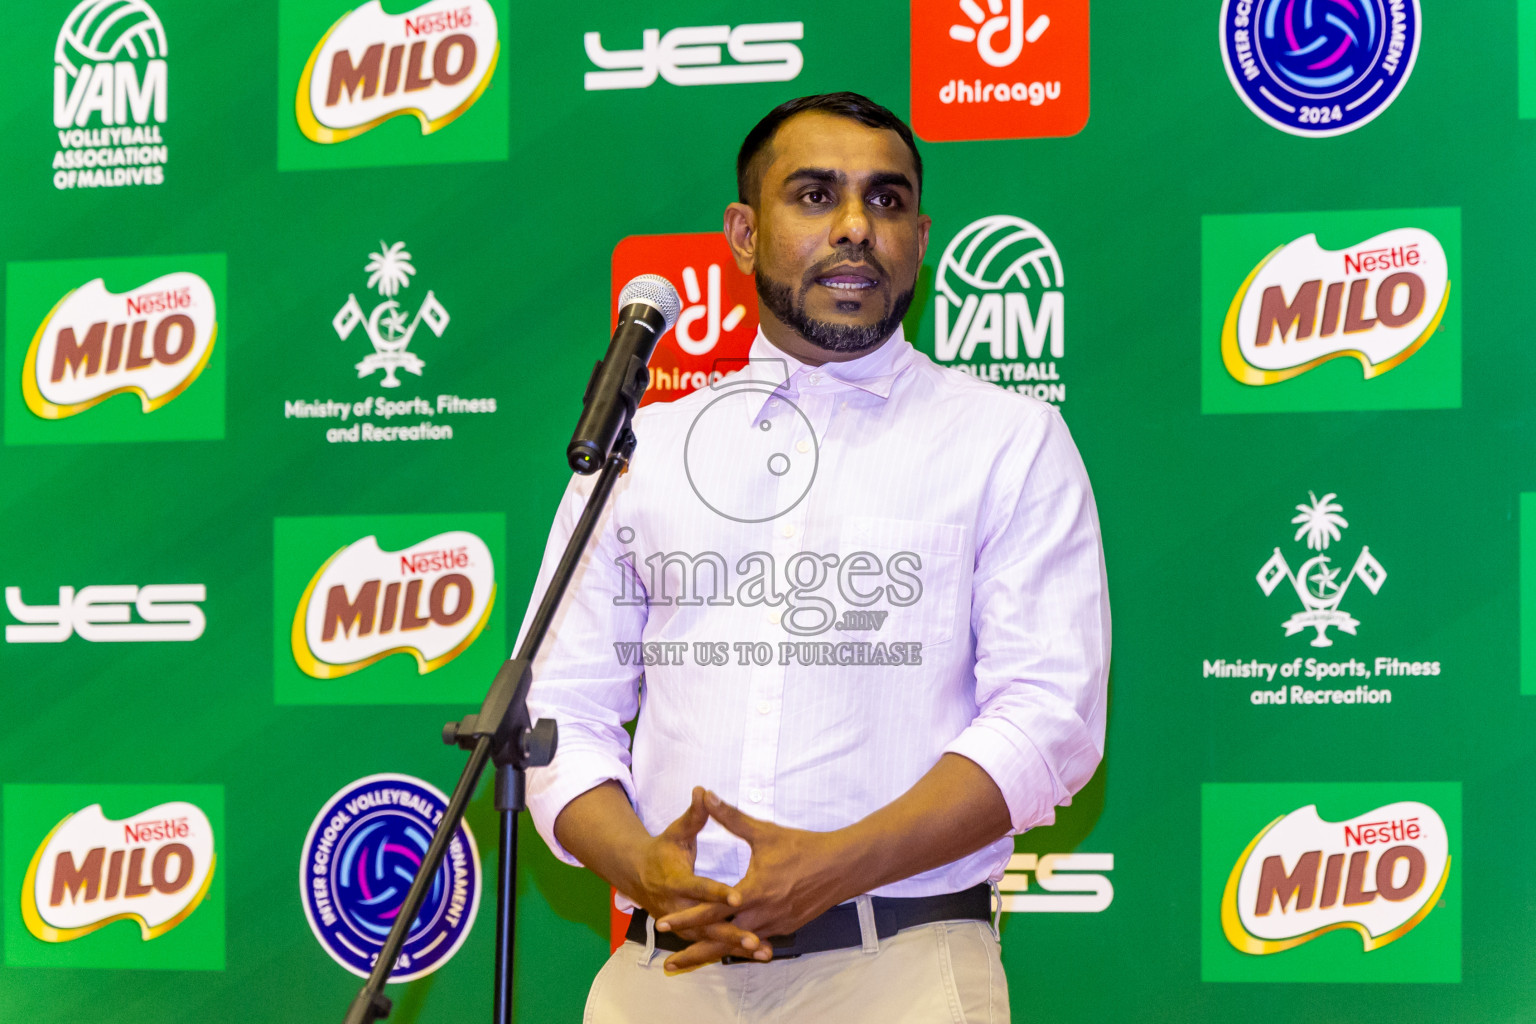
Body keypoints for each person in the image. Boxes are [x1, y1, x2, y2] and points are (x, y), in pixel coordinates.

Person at [519, 92, 1110, 1023]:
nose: (853, 229)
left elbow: (1048, 722)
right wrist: (641, 867)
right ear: (745, 233)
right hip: (662, 973)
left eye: (884, 202)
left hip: (900, 969)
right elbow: (557, 715)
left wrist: (834, 866)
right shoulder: (647, 450)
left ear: (920, 235)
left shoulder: (1007, 440)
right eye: (814, 196)